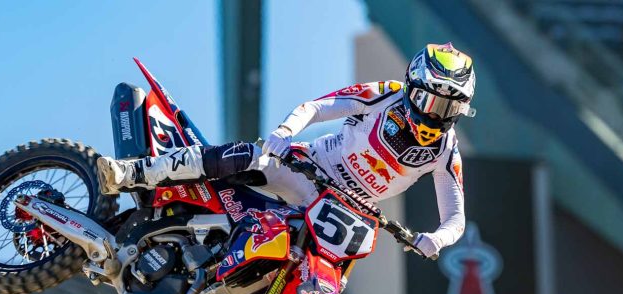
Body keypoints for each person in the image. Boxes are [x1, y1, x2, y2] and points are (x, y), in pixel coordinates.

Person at [97, 43, 476, 259]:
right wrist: (283, 133)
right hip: (308, 168)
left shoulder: (445, 150)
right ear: (413, 87)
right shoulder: (384, 93)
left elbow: (456, 217)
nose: (436, 116)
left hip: (349, 214)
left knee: (327, 282)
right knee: (249, 155)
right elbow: (317, 107)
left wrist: (436, 239)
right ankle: (132, 174)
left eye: (450, 108)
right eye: (431, 101)